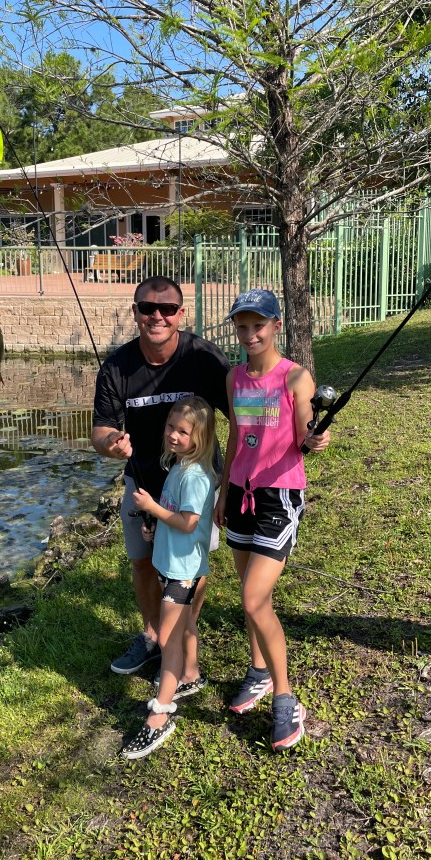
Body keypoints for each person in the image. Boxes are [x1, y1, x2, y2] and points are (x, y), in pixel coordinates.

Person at [92, 275, 230, 675]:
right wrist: (112, 443)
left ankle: (183, 633)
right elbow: (100, 430)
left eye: (167, 308)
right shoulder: (116, 366)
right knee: (142, 562)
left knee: (192, 568)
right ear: (135, 312)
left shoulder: (203, 357)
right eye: (148, 308)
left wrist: (227, 485)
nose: (157, 316)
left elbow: (241, 415)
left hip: (195, 485)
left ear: (180, 313)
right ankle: (153, 635)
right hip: (143, 484)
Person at [214, 289, 331, 752]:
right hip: (240, 493)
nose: (250, 334)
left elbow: (305, 431)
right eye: (242, 326)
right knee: (250, 598)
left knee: (253, 597)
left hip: (279, 496)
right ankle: (258, 670)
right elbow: (235, 435)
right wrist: (223, 491)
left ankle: (285, 699)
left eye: (258, 325)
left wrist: (314, 438)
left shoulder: (295, 376)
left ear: (276, 326)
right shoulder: (234, 378)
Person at [121, 396, 216, 758]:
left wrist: (152, 508)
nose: (173, 435)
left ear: (200, 437)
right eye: (170, 427)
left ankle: (160, 716)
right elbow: (174, 518)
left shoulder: (194, 476)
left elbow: (189, 522)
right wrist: (156, 528)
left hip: (183, 572)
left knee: (168, 639)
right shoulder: (178, 466)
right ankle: (190, 674)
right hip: (170, 564)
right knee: (185, 626)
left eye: (183, 431)